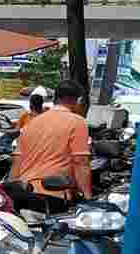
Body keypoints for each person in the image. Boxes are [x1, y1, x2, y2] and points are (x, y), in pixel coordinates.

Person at [7, 80, 92, 208]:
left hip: (23, 193)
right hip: (52, 196)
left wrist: (10, 194)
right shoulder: (77, 122)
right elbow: (80, 161)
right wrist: (87, 197)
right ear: (79, 100)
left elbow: (17, 160)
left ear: (55, 99)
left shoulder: (32, 123)